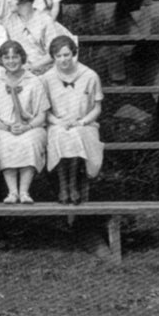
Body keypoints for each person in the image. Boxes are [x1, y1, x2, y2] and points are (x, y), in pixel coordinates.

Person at [42, 35, 103, 205]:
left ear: (74, 54)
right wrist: (58, 122)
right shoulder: (47, 78)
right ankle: (63, 186)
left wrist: (82, 121)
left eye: (66, 55)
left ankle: (73, 183)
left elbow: (97, 108)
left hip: (85, 123)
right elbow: (44, 111)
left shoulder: (90, 75)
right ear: (53, 57)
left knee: (76, 134)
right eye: (59, 56)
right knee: (60, 134)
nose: (63, 60)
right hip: (57, 123)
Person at [0, 40, 47, 204]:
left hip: (30, 126)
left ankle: (24, 192)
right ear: (1, 60)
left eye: (15, 57)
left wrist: (27, 126)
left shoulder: (34, 81)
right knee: (5, 142)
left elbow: (41, 115)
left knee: (30, 141)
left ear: (22, 58)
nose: (11, 61)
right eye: (6, 58)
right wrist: (7, 127)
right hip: (4, 127)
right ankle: (12, 192)